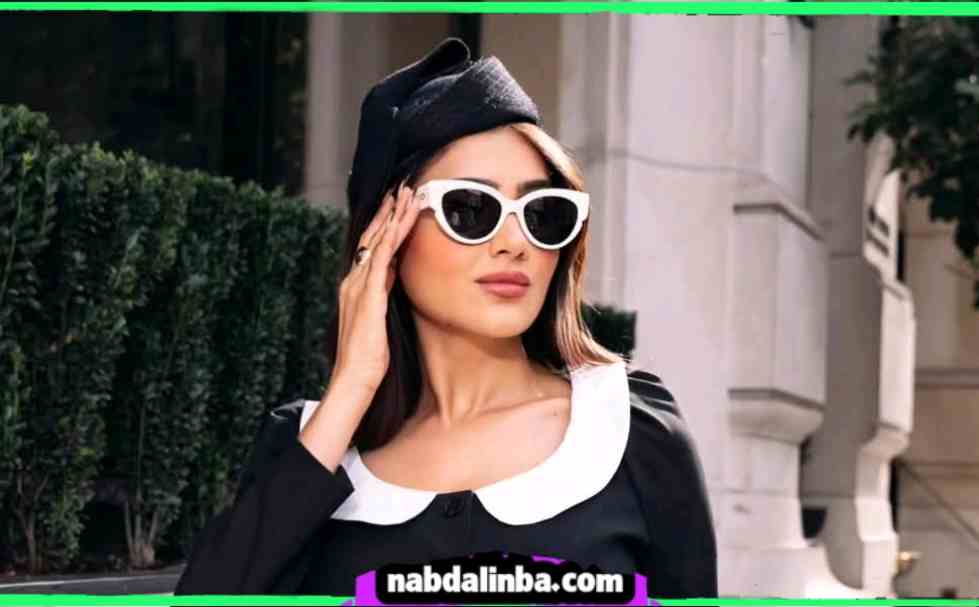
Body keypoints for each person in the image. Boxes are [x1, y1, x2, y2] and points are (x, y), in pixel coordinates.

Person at [173, 37, 717, 599]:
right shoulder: (314, 447)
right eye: (470, 209)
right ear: (387, 235)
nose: (515, 243)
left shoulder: (628, 433)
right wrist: (352, 387)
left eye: (542, 213)